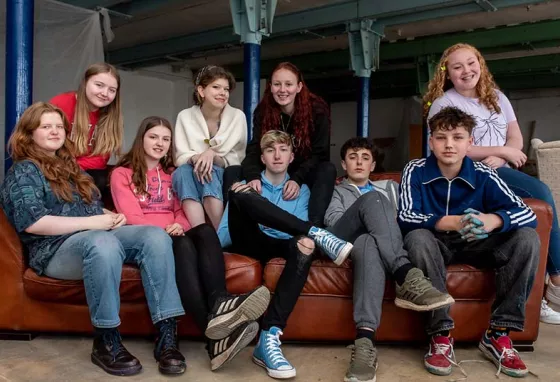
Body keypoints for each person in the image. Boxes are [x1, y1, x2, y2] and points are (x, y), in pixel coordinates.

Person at [0, 103, 185, 376]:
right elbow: (33, 222)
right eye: (46, 126)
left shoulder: (70, 167)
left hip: (94, 235)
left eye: (59, 126)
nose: (55, 131)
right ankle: (107, 340)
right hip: (54, 251)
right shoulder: (23, 171)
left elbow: (88, 207)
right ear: (29, 133)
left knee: (154, 236)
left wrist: (110, 215)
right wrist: (93, 223)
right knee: (103, 242)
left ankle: (167, 335)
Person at [110, 116, 270, 371]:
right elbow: (131, 217)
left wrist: (180, 225)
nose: (160, 143)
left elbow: (181, 210)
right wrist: (165, 230)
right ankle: (214, 338)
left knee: (205, 230)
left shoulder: (172, 174)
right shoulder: (122, 173)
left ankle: (220, 302)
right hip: (149, 240)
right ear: (141, 139)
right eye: (153, 137)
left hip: (175, 231)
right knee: (183, 246)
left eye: (166, 139)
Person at [398, 106, 539, 378]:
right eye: (441, 137)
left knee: (527, 237)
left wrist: (492, 220)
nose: (449, 144)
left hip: (478, 244)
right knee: (417, 238)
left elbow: (527, 213)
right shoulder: (415, 170)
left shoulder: (483, 173)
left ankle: (498, 333)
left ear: (470, 142)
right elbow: (406, 215)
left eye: (458, 137)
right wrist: (452, 221)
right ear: (431, 142)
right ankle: (440, 335)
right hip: (435, 243)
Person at [424, 42, 560, 323]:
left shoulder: (497, 97)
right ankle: (556, 281)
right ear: (447, 74)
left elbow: (516, 139)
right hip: (472, 171)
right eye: (457, 66)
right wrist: (499, 152)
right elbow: (450, 147)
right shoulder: (444, 103)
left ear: (480, 64)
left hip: (500, 168)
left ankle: (546, 289)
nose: (466, 70)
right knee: (543, 192)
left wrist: (504, 154)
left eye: (471, 63)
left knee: (538, 209)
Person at [217, 130, 353, 379]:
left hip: (282, 244)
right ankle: (319, 233)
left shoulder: (301, 191)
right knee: (238, 192)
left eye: (283, 150)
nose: (277, 155)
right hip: (250, 240)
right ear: (263, 158)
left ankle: (269, 337)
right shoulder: (250, 185)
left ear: (292, 157)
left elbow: (294, 235)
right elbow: (225, 233)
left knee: (306, 244)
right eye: (270, 150)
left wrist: (269, 219)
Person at [324, 137, 454, 382]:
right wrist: (371, 218)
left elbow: (404, 222)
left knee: (370, 242)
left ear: (373, 166)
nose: (359, 162)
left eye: (365, 158)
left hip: (375, 247)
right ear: (344, 164)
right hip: (346, 240)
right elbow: (333, 221)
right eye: (353, 157)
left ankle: (364, 344)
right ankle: (406, 275)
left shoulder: (391, 188)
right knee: (372, 203)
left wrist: (379, 231)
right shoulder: (336, 190)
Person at [223, 62, 336, 227]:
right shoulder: (263, 110)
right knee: (232, 171)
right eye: (277, 84)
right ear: (270, 87)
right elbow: (254, 148)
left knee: (327, 169)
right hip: (273, 167)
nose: (282, 90)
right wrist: (253, 176)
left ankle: (314, 230)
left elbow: (321, 153)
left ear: (299, 87)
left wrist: (297, 178)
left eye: (288, 84)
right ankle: (231, 227)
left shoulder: (317, 109)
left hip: (305, 168)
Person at [172, 65, 247, 229]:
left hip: (225, 173)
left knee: (208, 168)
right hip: (192, 171)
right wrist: (197, 158)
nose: (223, 93)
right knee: (182, 171)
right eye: (216, 87)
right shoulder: (184, 116)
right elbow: (180, 156)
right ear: (201, 90)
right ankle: (202, 231)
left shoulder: (237, 116)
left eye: (226, 89)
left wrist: (211, 154)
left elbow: (236, 157)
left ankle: (222, 232)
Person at [50, 63, 123, 201]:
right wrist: (64, 166)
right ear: (85, 82)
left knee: (100, 180)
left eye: (112, 90)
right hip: (55, 164)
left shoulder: (112, 117)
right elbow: (43, 140)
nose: (104, 93)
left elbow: (101, 158)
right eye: (99, 85)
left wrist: (74, 168)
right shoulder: (61, 103)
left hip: (83, 171)